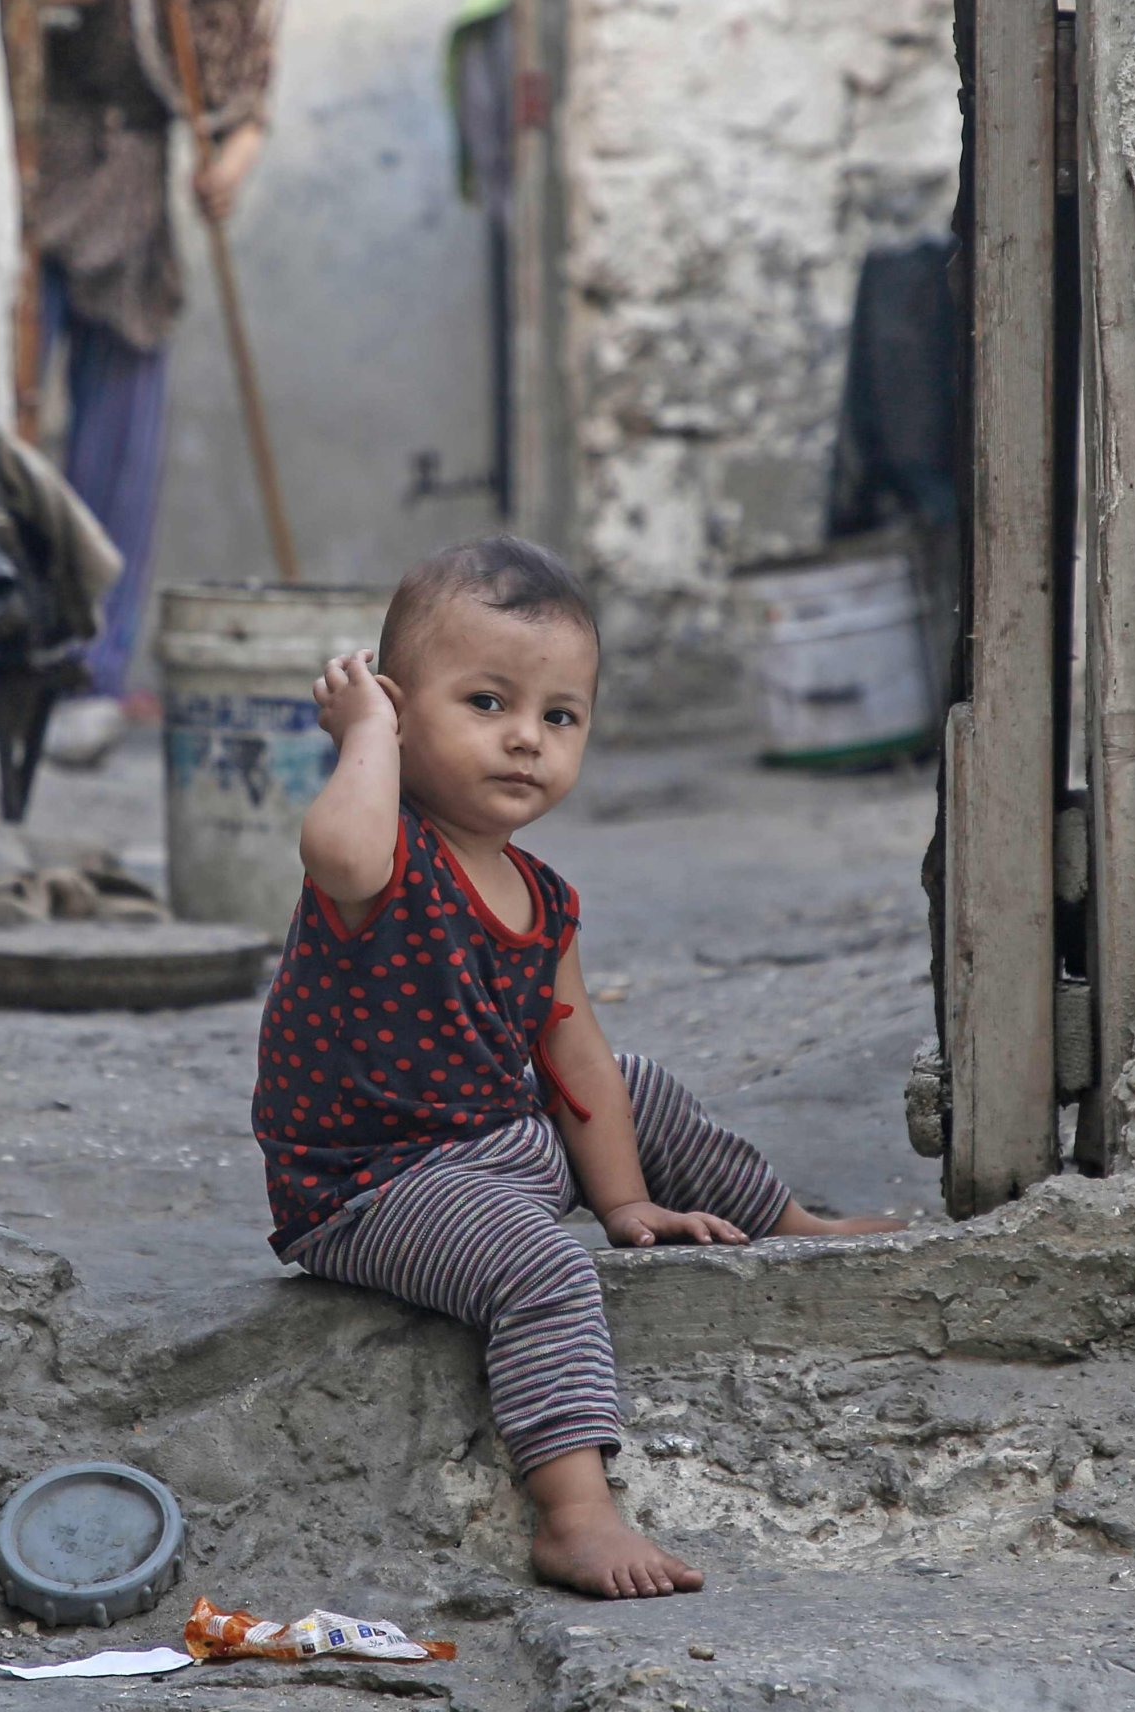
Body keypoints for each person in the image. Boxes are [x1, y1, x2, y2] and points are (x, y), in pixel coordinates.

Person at [254, 537, 906, 1600]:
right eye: (486, 701)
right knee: (540, 1266)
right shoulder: (385, 856)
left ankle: (788, 1219)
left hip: (495, 1146)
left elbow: (574, 1051)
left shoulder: (544, 896)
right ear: (398, 705)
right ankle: (575, 1512)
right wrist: (362, 736)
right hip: (374, 1186)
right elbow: (335, 848)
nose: (526, 739)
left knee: (633, 1082)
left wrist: (625, 1199)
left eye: (560, 716)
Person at [26, 0, 339, 764]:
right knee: (9, 427)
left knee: (122, 446)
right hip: (46, 184)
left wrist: (230, 170)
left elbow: (250, 108)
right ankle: (9, 656)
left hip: (137, 216)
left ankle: (94, 672)